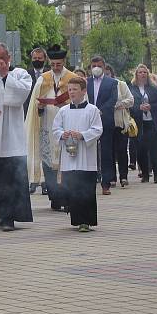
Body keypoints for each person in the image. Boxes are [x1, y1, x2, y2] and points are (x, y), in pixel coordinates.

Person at [0, 42, 33, 232]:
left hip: (12, 136)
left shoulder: (21, 75)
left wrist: (5, 76)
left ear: (9, 57)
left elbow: (19, 96)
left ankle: (9, 217)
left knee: (12, 177)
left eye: (2, 57)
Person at [25, 44, 76, 210]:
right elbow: (35, 104)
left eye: (58, 65)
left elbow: (81, 103)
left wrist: (67, 103)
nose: (55, 68)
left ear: (64, 62)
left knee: (66, 163)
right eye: (53, 64)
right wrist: (39, 109)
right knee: (49, 164)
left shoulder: (73, 79)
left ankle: (67, 197)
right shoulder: (43, 79)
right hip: (47, 126)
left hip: (66, 127)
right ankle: (55, 197)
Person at [52, 77, 103, 232]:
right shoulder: (63, 111)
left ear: (83, 91)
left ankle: (86, 221)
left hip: (86, 157)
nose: (71, 92)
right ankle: (76, 219)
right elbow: (55, 129)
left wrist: (82, 135)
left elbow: (97, 129)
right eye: (70, 89)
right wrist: (63, 134)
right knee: (73, 189)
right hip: (69, 156)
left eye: (75, 89)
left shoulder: (92, 110)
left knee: (86, 189)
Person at [86, 55, 118, 195]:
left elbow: (113, 100)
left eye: (99, 66)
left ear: (104, 67)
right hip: (88, 122)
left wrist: (100, 111)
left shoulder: (112, 83)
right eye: (94, 66)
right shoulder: (85, 83)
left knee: (106, 153)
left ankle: (106, 183)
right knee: (89, 152)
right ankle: (90, 181)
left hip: (105, 120)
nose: (96, 68)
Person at [130, 64, 157, 183]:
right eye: (140, 72)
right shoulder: (132, 88)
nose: (142, 74)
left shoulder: (154, 88)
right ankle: (145, 174)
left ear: (148, 74)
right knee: (141, 150)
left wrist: (151, 106)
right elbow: (129, 105)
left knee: (155, 149)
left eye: (144, 72)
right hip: (139, 123)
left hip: (153, 122)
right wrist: (138, 107)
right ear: (136, 74)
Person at [25, 47, 49, 193]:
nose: (37, 61)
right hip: (28, 117)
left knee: (45, 150)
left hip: (45, 117)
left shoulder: (48, 75)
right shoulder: (26, 75)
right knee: (31, 149)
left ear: (44, 59)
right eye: (35, 58)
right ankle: (33, 181)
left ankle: (46, 182)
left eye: (40, 58)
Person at [107, 64, 134, 187]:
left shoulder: (121, 84)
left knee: (122, 150)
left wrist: (120, 103)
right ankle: (111, 177)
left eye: (108, 73)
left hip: (120, 123)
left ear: (112, 74)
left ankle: (123, 176)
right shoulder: (99, 86)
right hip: (106, 123)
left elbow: (131, 100)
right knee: (109, 151)